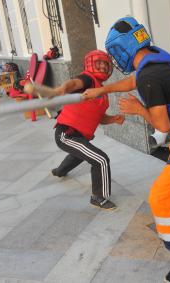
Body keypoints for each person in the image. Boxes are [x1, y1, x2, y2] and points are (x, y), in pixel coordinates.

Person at [83, 17, 170, 282]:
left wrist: (138, 110)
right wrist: (102, 90)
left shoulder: (150, 76)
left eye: (113, 52)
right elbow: (134, 80)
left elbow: (162, 123)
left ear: (121, 49)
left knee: (161, 197)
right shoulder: (157, 57)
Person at [52, 50, 125, 210]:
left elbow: (99, 117)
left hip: (79, 137)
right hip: (66, 133)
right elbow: (74, 83)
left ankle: (59, 171)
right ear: (90, 63)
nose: (103, 67)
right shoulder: (87, 79)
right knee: (100, 159)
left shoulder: (101, 92)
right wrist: (64, 87)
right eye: (99, 63)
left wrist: (113, 119)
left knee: (79, 154)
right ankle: (99, 197)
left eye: (106, 64)